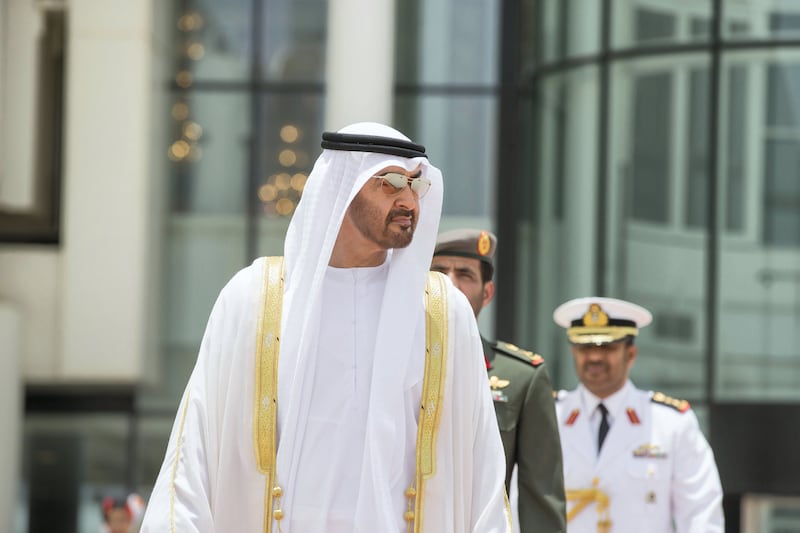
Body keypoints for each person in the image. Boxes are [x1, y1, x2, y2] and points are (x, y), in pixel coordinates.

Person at [140, 122, 511, 532]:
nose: (408, 200)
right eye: (390, 183)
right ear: (342, 186)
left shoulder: (444, 312)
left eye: (415, 185)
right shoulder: (252, 300)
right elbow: (193, 457)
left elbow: (484, 470)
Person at [431, 229, 566, 533]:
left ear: (487, 293)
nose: (450, 283)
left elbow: (541, 502)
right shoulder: (393, 361)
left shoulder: (521, 377)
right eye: (439, 271)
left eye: (465, 274)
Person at [552, 296, 724, 532]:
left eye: (607, 347)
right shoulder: (549, 416)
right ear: (574, 351)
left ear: (630, 354)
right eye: (585, 347)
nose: (594, 357)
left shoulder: (671, 423)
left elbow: (701, 513)